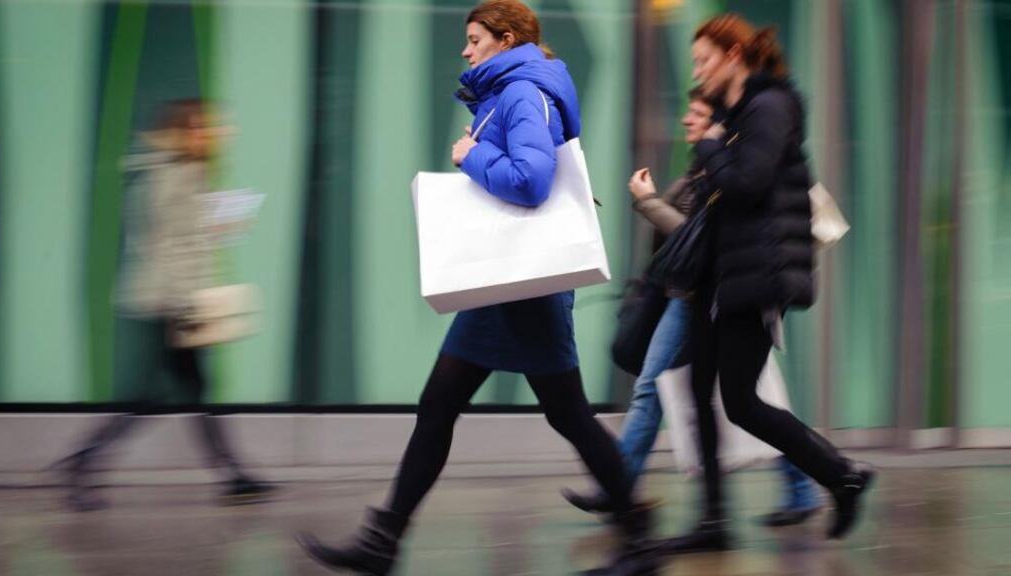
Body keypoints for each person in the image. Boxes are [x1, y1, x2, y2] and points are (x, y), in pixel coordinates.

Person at [296, 2, 652, 575]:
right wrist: (481, 149)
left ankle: (641, 538)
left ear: (504, 39)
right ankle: (382, 542)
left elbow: (532, 182)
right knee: (442, 405)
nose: (465, 50)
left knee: (565, 414)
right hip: (502, 281)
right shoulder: (512, 92)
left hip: (524, 284)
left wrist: (470, 155)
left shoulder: (521, 93)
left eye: (474, 39)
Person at [656, 14, 873, 556]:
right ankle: (712, 522)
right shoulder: (735, 113)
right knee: (696, 390)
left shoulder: (770, 106)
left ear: (733, 55)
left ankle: (840, 474)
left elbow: (748, 183)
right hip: (722, 275)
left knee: (740, 401)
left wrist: (709, 146)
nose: (697, 70)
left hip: (759, 274)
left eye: (703, 58)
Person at [561, 88, 821, 528]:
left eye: (698, 113)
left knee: (664, 391)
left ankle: (618, 488)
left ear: (720, 122)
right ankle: (800, 488)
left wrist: (647, 202)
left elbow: (693, 236)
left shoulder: (721, 169)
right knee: (750, 400)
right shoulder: (701, 167)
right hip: (695, 298)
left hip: (706, 299)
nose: (686, 120)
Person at [50, 99, 274, 511]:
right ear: (185, 133)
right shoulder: (176, 176)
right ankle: (85, 462)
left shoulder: (180, 173)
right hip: (169, 303)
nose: (218, 134)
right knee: (157, 396)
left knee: (189, 392)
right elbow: (166, 248)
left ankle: (231, 474)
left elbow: (186, 239)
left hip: (171, 299)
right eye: (206, 128)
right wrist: (185, 304)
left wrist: (222, 225)